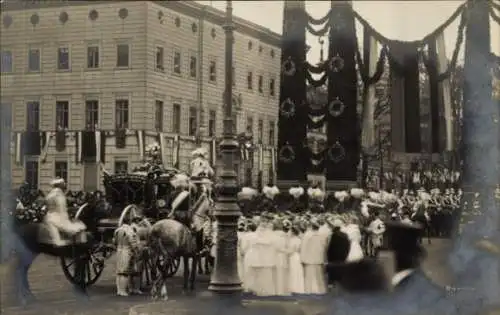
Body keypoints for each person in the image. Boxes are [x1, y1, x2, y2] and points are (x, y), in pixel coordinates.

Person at [41, 178, 86, 246]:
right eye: (63, 184)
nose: (65, 185)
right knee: (80, 227)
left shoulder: (50, 194)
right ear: (60, 185)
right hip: (57, 218)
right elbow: (61, 208)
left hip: (49, 217)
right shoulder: (58, 194)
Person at [113, 222, 141, 296]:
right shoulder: (130, 231)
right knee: (125, 272)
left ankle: (119, 290)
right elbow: (133, 244)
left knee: (119, 272)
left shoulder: (117, 230)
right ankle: (125, 290)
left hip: (119, 250)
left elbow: (114, 242)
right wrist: (137, 252)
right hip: (127, 252)